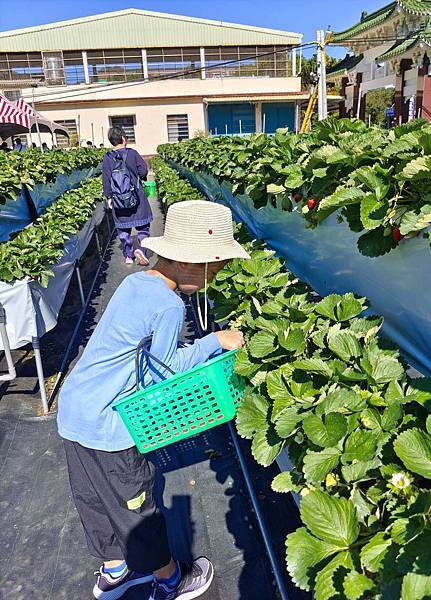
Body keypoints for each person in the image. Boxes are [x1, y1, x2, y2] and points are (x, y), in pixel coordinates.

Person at [57, 200, 249, 600]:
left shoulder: (135, 282)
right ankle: (169, 578)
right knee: (136, 509)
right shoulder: (168, 305)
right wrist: (216, 340)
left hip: (75, 411)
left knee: (92, 498)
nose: (215, 276)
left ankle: (114, 571)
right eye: (212, 268)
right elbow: (167, 370)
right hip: (110, 425)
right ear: (184, 263)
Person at [102, 126, 152, 266]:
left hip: (118, 198)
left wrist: (109, 197)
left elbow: (106, 180)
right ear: (123, 138)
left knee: (123, 229)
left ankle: (129, 255)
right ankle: (141, 249)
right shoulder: (132, 153)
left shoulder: (107, 158)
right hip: (136, 195)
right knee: (143, 226)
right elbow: (143, 171)